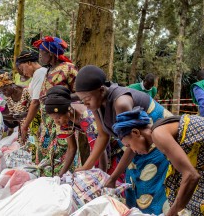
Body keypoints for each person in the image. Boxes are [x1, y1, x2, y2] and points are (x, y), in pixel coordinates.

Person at [112, 107, 204, 215]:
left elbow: (191, 176)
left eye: (129, 145)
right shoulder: (162, 129)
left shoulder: (159, 134)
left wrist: (172, 212)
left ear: (136, 132)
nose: (132, 150)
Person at [74, 65, 173, 215]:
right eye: (82, 100)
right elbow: (103, 135)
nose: (85, 104)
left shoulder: (121, 103)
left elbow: (134, 139)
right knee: (133, 189)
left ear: (101, 90)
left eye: (86, 99)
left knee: (151, 191)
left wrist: (113, 177)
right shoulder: (96, 103)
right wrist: (86, 167)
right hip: (134, 147)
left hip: (156, 144)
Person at [32, 36, 78, 176]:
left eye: (42, 53)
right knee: (45, 156)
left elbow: (81, 94)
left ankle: (62, 180)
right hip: (47, 123)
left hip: (62, 120)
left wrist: (60, 99)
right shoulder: (48, 71)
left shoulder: (68, 69)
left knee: (63, 153)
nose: (40, 56)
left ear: (51, 53)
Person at [44, 86, 110, 176]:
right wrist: (60, 175)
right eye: (54, 119)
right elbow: (72, 148)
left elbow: (101, 149)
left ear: (68, 110)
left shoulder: (88, 118)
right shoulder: (65, 119)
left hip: (113, 144)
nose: (57, 122)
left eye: (58, 118)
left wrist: (102, 176)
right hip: (99, 148)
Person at [16, 51, 47, 142]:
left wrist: (25, 126)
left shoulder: (39, 73)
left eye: (22, 68)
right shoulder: (37, 74)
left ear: (29, 63)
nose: (23, 73)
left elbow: (35, 102)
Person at [0, 71, 31, 143]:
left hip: (33, 125)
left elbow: (37, 108)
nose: (4, 93)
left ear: (11, 84)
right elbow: (13, 116)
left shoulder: (26, 91)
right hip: (22, 128)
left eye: (5, 89)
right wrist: (0, 116)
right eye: (1, 92)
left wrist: (25, 114)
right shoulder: (9, 98)